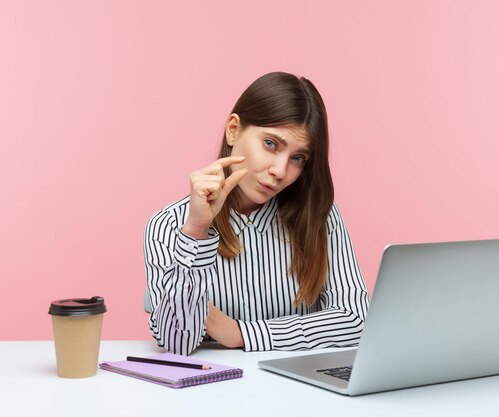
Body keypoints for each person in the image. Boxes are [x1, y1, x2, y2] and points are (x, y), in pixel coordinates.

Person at [144, 72, 369, 355]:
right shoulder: (169, 225)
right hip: (212, 391)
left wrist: (242, 333)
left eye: (298, 158)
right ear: (233, 130)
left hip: (302, 392)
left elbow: (355, 319)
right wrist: (197, 231)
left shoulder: (320, 219)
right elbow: (177, 344)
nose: (280, 171)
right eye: (271, 144)